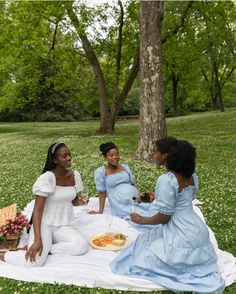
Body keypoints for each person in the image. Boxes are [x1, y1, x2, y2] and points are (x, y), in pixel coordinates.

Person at [110, 138, 225, 293]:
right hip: (197, 228)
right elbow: (183, 199)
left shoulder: (167, 180)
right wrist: (159, 196)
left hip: (180, 230)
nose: (153, 155)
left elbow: (165, 216)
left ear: (165, 156)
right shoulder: (192, 176)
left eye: (155, 152)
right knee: (146, 239)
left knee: (142, 253)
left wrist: (142, 220)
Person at [0, 142, 88, 267]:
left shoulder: (75, 176)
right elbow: (38, 210)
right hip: (44, 224)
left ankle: (46, 249)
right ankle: (4, 255)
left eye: (69, 154)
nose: (69, 158)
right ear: (55, 160)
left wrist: (81, 202)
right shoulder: (47, 178)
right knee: (35, 262)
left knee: (81, 246)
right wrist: (37, 240)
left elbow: (73, 201)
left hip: (64, 224)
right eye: (64, 156)